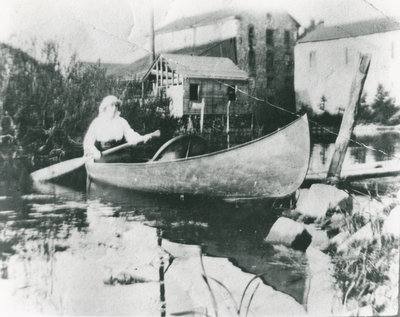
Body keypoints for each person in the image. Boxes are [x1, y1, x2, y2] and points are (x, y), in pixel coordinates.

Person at [83, 95, 152, 161]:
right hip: (104, 155)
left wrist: (142, 138)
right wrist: (95, 152)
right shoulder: (97, 122)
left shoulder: (122, 121)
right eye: (112, 105)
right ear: (105, 107)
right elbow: (88, 142)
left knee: (128, 158)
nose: (114, 108)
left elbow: (131, 135)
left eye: (116, 105)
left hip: (120, 153)